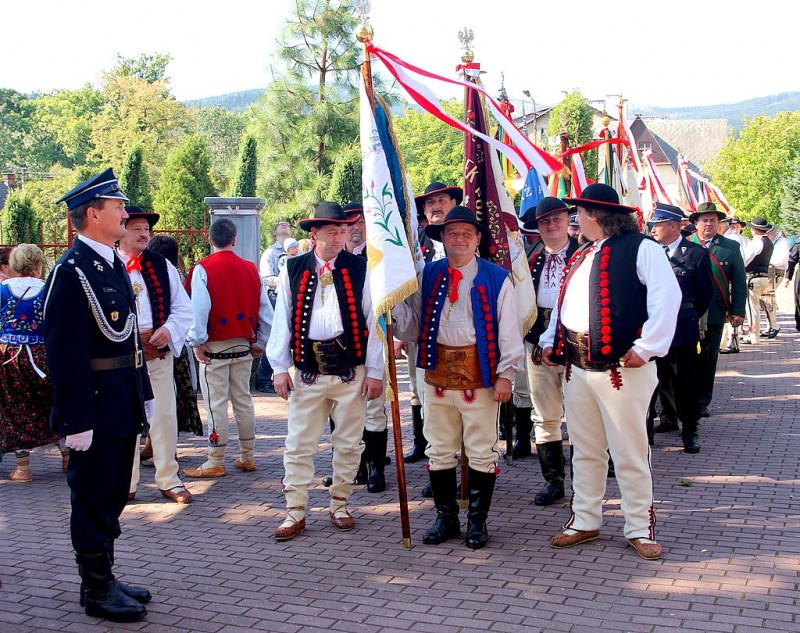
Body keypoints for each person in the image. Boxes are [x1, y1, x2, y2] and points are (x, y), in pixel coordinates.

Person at [540, 184, 680, 561]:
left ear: (596, 215)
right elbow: (563, 305)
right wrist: (551, 342)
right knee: (585, 449)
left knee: (629, 450)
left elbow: (667, 298)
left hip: (622, 368)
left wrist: (646, 347)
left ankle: (639, 526)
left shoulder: (642, 248)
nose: (577, 220)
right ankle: (585, 519)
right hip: (577, 367)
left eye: (580, 213)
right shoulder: (582, 253)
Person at [45, 169, 152, 622]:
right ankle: (96, 588)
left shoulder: (110, 263)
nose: (125, 214)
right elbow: (64, 353)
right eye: (117, 207)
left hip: (120, 399)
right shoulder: (71, 271)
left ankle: (105, 573)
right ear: (92, 214)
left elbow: (128, 340)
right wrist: (76, 420)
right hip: (93, 404)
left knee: (112, 493)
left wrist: (143, 393)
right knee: (91, 496)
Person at [394, 205, 525, 549]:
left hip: (481, 377)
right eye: (452, 233)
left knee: (481, 451)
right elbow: (412, 326)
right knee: (439, 450)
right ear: (443, 238)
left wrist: (506, 376)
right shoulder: (427, 274)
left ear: (478, 238)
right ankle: (446, 518)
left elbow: (509, 331)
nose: (459, 239)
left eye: (467, 233)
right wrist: (390, 303)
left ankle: (477, 523)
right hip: (437, 375)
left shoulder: (497, 277)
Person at [267, 202, 384, 541]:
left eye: (343, 231)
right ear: (315, 234)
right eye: (332, 231)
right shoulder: (293, 268)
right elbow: (282, 319)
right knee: (298, 443)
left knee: (349, 443)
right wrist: (279, 368)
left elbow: (373, 320)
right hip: (308, 372)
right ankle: (295, 509)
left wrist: (375, 370)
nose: (339, 237)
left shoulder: (361, 268)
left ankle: (340, 503)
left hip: (351, 372)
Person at [185, 219, 273, 478]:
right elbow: (265, 311)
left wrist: (196, 341)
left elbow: (199, 309)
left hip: (214, 346)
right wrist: (261, 342)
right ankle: (248, 456)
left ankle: (215, 458)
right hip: (243, 345)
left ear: (210, 239)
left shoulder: (203, 269)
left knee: (216, 404)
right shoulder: (250, 269)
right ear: (234, 239)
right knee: (243, 400)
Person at [118, 206, 194, 504]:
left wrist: (169, 329)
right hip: (122, 356)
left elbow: (183, 307)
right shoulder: (108, 264)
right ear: (121, 230)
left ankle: (169, 478)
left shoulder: (162, 266)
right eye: (136, 228)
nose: (144, 234)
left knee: (163, 416)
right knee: (124, 419)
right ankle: (125, 483)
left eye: (146, 229)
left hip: (157, 352)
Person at [404, 182, 463, 495]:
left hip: (464, 339)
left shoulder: (467, 238)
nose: (435, 206)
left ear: (454, 203)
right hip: (425, 335)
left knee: (465, 406)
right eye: (429, 203)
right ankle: (439, 465)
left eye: (441, 200)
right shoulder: (417, 244)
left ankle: (468, 469)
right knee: (427, 400)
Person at [520, 198, 579, 505]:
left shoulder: (584, 254)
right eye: (545, 221)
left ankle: (583, 481)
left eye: (557, 218)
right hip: (536, 346)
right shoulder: (529, 258)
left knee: (581, 414)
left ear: (568, 220)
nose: (551, 225)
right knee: (544, 415)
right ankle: (553, 480)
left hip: (576, 345)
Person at [647, 205, 713, 453]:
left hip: (681, 328)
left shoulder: (696, 254)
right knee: (649, 381)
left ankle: (689, 431)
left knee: (685, 382)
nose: (653, 229)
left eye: (658, 224)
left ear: (673, 226)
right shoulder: (648, 251)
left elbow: (704, 295)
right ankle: (646, 432)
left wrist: (687, 315)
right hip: (651, 328)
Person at [1, 244, 64, 482]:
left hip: (9, 356)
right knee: (53, 402)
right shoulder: (49, 289)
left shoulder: (2, 289)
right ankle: (67, 456)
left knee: (16, 408)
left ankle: (23, 468)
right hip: (43, 354)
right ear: (39, 264)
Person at [687, 202, 746, 417]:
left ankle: (702, 401)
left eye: (713, 220)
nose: (708, 224)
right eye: (704, 220)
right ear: (696, 223)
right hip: (688, 312)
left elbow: (738, 282)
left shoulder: (730, 247)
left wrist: (737, 311)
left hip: (714, 311)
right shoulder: (686, 244)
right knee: (685, 358)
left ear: (718, 223)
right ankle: (684, 401)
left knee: (708, 358)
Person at [148, 235, 203, 438]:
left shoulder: (167, 273)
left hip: (167, 339)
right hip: (175, 339)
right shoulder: (177, 272)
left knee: (164, 394)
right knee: (172, 393)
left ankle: (159, 440)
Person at [257, 221, 292, 393]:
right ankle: (264, 379)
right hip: (275, 297)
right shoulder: (270, 253)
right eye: (280, 225)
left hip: (294, 298)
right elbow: (265, 278)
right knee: (275, 337)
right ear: (274, 232)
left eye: (287, 224)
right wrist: (285, 282)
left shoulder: (296, 251)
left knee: (291, 337)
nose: (284, 226)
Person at [742, 217, 775, 345]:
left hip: (753, 278)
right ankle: (754, 334)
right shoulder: (769, 242)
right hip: (764, 276)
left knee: (752, 308)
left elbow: (745, 260)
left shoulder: (756, 242)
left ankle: (753, 335)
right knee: (755, 307)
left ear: (754, 230)